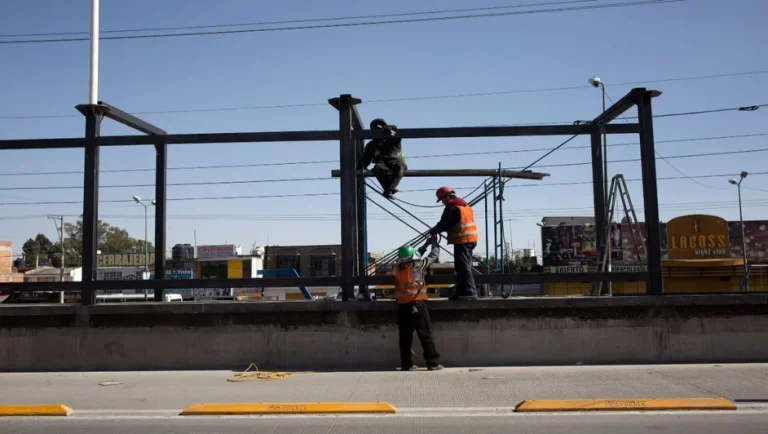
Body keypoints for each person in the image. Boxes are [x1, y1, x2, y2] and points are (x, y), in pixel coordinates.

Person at [394, 236, 443, 371]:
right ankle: (432, 363)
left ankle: (406, 364)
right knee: (425, 333)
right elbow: (434, 256)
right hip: (417, 304)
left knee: (405, 336)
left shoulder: (397, 269)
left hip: (402, 306)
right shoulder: (417, 266)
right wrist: (434, 244)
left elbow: (416, 254)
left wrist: (425, 244)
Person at [429, 186, 479, 300]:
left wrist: (434, 230)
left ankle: (469, 292)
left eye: (442, 200)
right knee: (462, 266)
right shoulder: (465, 206)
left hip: (463, 240)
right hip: (470, 239)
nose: (442, 202)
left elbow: (444, 224)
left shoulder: (452, 208)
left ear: (446, 197)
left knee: (463, 266)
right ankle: (462, 291)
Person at [357, 118, 407, 199]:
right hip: (381, 166)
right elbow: (366, 159)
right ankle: (388, 190)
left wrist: (391, 128)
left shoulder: (392, 139)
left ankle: (389, 190)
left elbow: (396, 133)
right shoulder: (371, 145)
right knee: (377, 169)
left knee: (400, 167)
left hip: (396, 163)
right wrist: (357, 170)